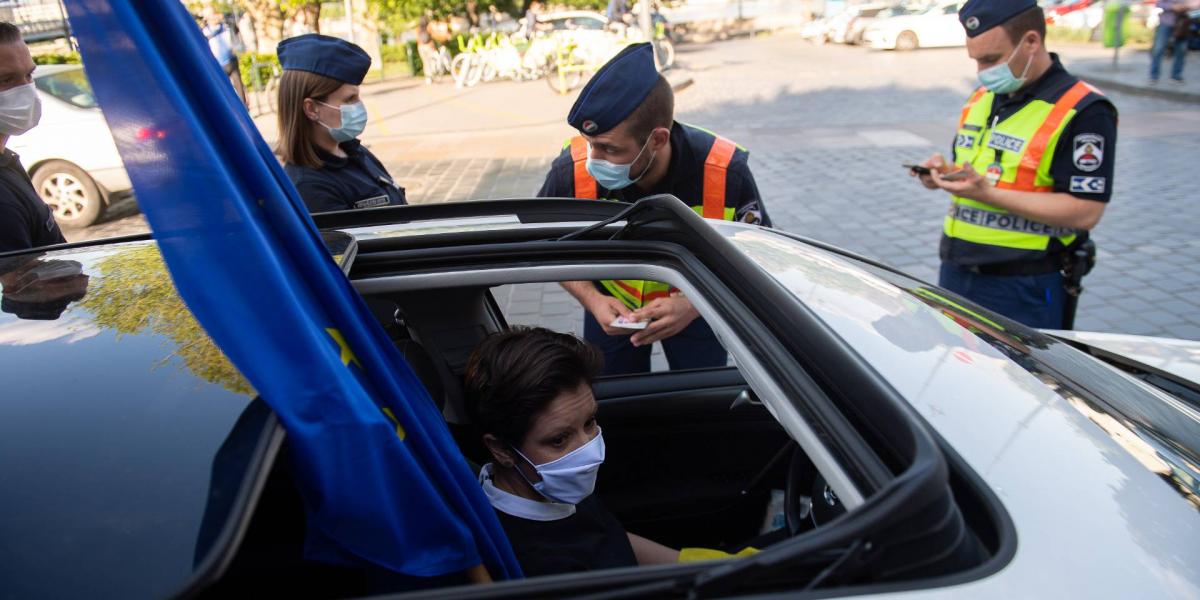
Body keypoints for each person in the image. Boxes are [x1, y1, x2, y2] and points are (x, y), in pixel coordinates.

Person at [536, 43, 769, 375]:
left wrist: (692, 305)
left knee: (699, 403)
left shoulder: (724, 171)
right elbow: (547, 244)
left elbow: (756, 252)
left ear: (658, 139)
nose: (593, 161)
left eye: (609, 149)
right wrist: (591, 299)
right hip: (609, 312)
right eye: (591, 145)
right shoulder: (570, 170)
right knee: (617, 405)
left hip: (699, 310)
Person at [911, 0, 1117, 330]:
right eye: (976, 60)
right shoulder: (982, 98)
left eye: (991, 59)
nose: (982, 71)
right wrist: (942, 172)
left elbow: (1085, 211)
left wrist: (988, 194)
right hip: (957, 271)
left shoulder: (1084, 109)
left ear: (1031, 42)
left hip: (1025, 285)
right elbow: (984, 170)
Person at [463, 327, 682, 576]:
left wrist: (697, 564)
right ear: (501, 449)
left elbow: (609, 537)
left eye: (589, 422)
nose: (588, 450)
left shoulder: (549, 487)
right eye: (559, 440)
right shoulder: (532, 562)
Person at [276, 34, 407, 213]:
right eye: (350, 99)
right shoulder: (309, 187)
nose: (359, 106)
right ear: (312, 109)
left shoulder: (353, 151)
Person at [0, 22, 65, 253]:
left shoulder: (6, 161)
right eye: (5, 80)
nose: (26, 89)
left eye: (29, 75)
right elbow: (19, 285)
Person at [200, 6, 248, 108]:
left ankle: (244, 108)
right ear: (207, 19)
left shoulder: (226, 26)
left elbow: (235, 33)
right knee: (224, 89)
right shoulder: (205, 32)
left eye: (214, 13)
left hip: (231, 60)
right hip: (218, 64)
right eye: (211, 15)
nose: (214, 17)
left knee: (239, 86)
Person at [1149, 0, 1196, 84]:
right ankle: (1154, 76)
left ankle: (1176, 76)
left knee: (1181, 50)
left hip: (1182, 23)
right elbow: (1159, 3)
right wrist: (1172, 6)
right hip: (1166, 23)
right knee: (1158, 49)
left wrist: (1187, 6)